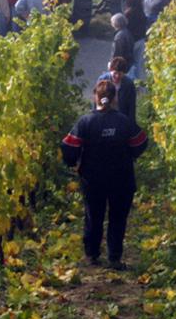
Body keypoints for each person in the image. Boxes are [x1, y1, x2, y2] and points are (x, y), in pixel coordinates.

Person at [61, 80, 148, 269]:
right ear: (115, 98)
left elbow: (69, 146)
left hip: (93, 179)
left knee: (94, 216)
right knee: (118, 217)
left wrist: (73, 163)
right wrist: (131, 156)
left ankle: (92, 255)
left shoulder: (86, 122)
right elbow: (140, 142)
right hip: (122, 179)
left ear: (96, 97)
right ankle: (114, 257)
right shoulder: (124, 121)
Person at [97, 57, 137, 125]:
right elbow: (97, 101)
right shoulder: (102, 80)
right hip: (105, 118)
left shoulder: (129, 84)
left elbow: (131, 107)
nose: (117, 76)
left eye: (120, 74)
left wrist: (131, 125)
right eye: (115, 73)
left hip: (122, 119)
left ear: (124, 73)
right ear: (110, 70)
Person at [123, 0, 147, 81]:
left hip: (131, 41)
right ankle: (137, 81)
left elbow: (126, 27)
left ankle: (129, 80)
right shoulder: (142, 12)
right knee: (138, 63)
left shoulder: (128, 14)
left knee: (129, 62)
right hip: (141, 40)